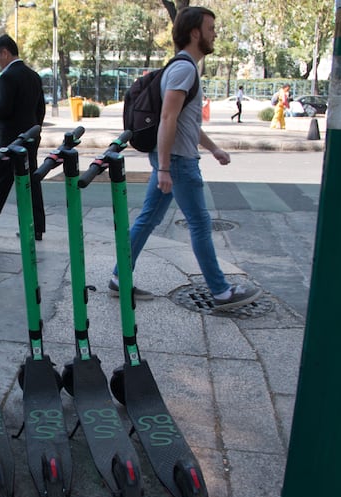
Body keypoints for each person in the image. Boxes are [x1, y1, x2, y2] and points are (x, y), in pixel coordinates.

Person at [109, 6, 261, 311]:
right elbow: (167, 117)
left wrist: (213, 148)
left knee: (148, 219)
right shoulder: (184, 69)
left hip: (174, 159)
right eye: (211, 28)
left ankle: (118, 278)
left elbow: (184, 123)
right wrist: (164, 167)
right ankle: (221, 292)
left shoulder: (185, 68)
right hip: (177, 162)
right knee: (200, 224)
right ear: (195, 33)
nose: (215, 34)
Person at [0, 34, 46, 240]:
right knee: (31, 181)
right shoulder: (33, 76)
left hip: (9, 139)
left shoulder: (7, 77)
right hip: (29, 137)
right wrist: (35, 130)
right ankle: (36, 227)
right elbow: (40, 110)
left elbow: (3, 110)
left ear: (5, 52)